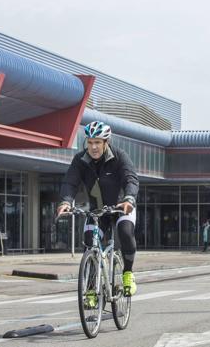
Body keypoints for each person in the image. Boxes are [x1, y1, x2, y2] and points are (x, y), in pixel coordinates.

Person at [57, 121, 139, 296]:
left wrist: (129, 199)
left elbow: (130, 179)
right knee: (90, 243)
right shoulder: (80, 160)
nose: (93, 147)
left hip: (120, 208)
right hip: (97, 211)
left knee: (125, 232)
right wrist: (65, 202)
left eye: (98, 142)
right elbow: (70, 182)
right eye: (90, 142)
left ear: (106, 142)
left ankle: (128, 274)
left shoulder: (119, 156)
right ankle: (92, 290)